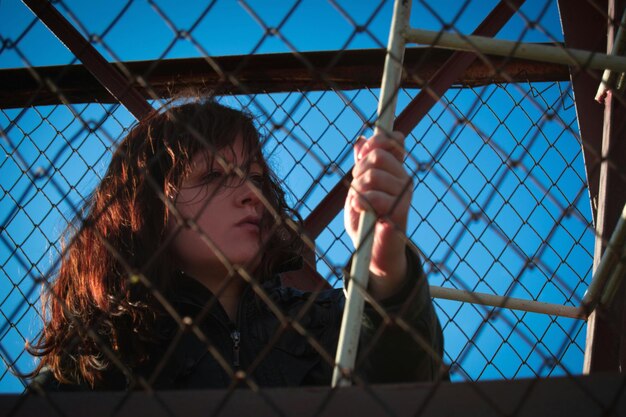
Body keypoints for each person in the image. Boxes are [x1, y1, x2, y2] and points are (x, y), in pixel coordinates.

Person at [28, 98, 445, 390]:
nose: (251, 193)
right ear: (146, 208)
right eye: (212, 176)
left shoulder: (326, 321)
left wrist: (384, 264)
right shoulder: (106, 350)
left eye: (257, 178)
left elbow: (412, 390)